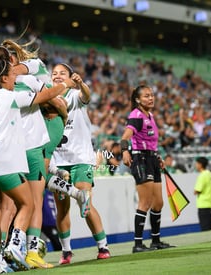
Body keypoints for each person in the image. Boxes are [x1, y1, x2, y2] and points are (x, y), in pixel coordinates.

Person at [0, 58, 75, 273]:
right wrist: (66, 85)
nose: (15, 77)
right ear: (4, 78)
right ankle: (16, 247)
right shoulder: (10, 96)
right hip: (0, 162)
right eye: (11, 74)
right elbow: (45, 96)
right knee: (27, 204)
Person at [51, 63, 110, 264]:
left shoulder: (74, 96)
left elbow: (87, 96)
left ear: (70, 77)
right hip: (58, 161)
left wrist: (81, 83)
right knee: (62, 208)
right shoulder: (47, 100)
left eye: (62, 73)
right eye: (54, 74)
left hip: (81, 158)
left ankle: (103, 246)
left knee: (84, 199)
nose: (57, 76)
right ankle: (66, 251)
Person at [121, 84, 174, 253]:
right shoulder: (136, 116)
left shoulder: (150, 115)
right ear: (137, 100)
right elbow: (125, 137)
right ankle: (137, 244)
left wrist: (158, 157)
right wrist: (124, 152)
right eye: (146, 96)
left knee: (158, 203)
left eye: (151, 95)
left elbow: (151, 141)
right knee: (145, 202)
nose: (150, 98)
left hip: (151, 159)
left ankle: (155, 241)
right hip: (140, 159)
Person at [194, 157, 211, 231]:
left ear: (200, 164)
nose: (196, 165)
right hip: (209, 205)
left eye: (196, 163)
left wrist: (195, 191)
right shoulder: (209, 174)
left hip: (203, 206)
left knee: (205, 229)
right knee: (210, 228)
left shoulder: (202, 176)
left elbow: (197, 190)